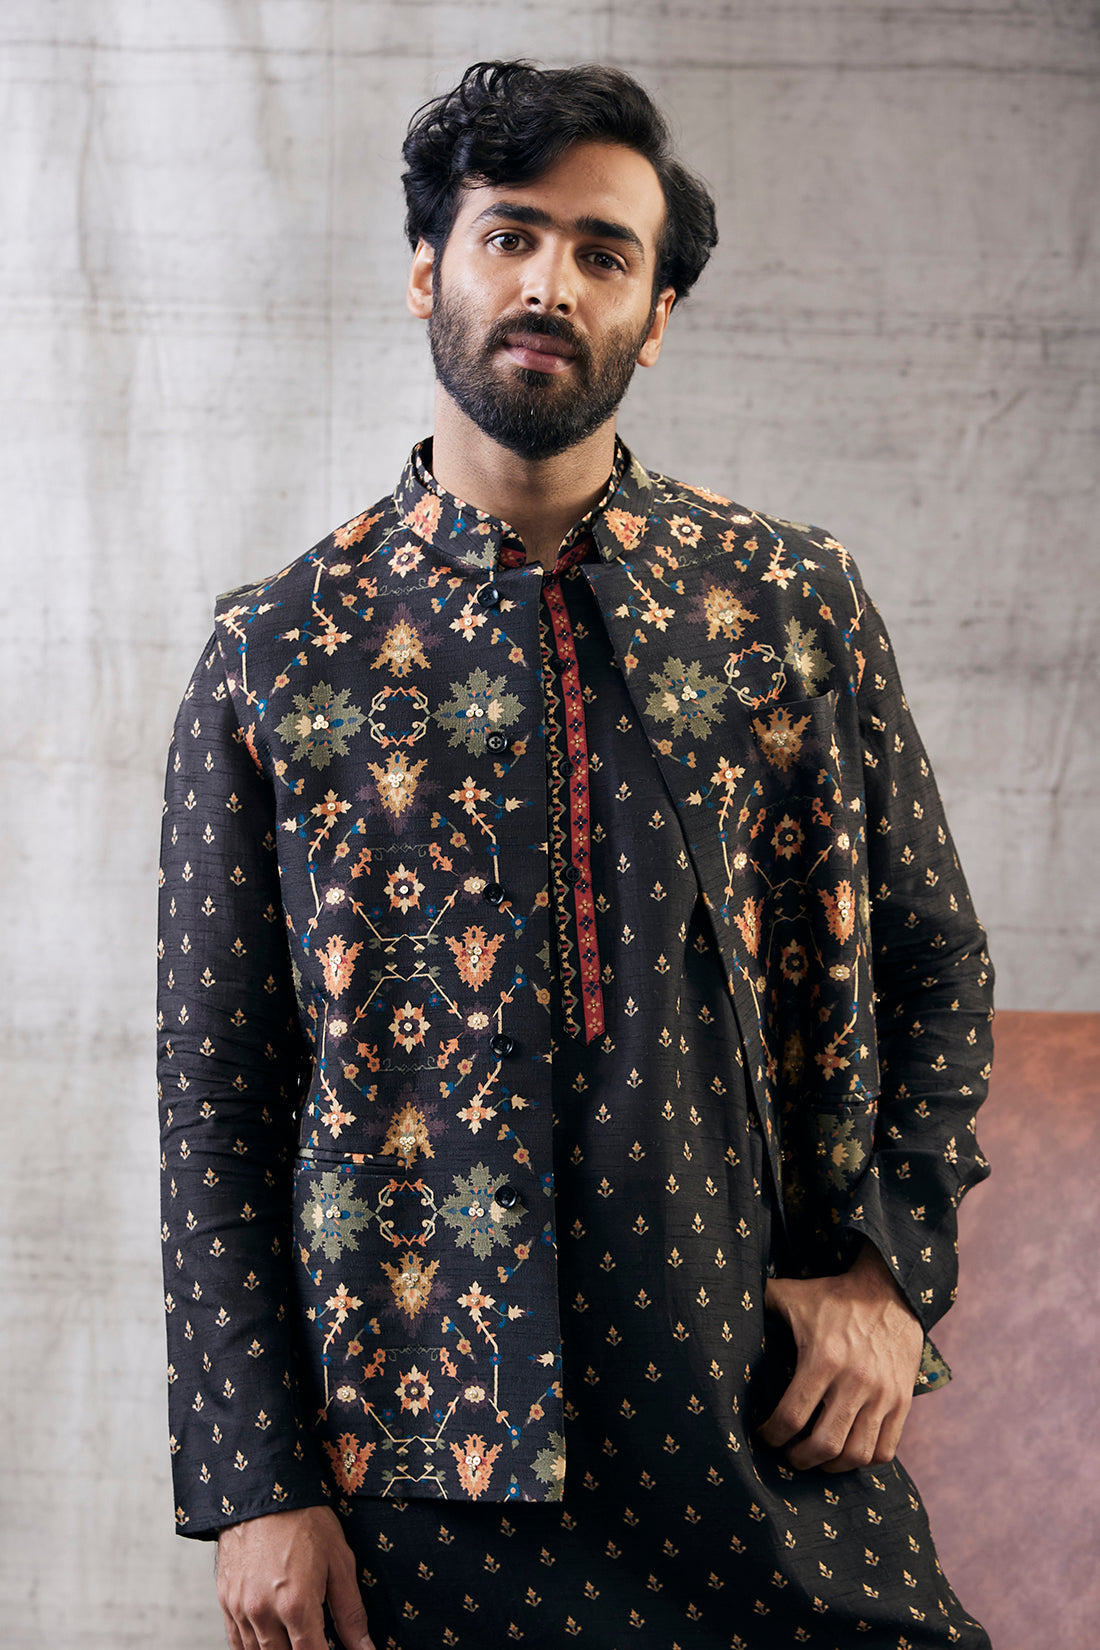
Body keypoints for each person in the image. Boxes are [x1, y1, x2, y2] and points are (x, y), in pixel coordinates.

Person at [158, 60, 994, 1650]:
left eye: (604, 253)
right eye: (510, 237)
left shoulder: (787, 606)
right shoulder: (278, 654)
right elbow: (218, 1098)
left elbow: (936, 960)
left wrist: (891, 1275)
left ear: (654, 315)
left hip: (763, 1438)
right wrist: (258, 1478)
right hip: (421, 1480)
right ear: (428, 271)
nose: (551, 283)